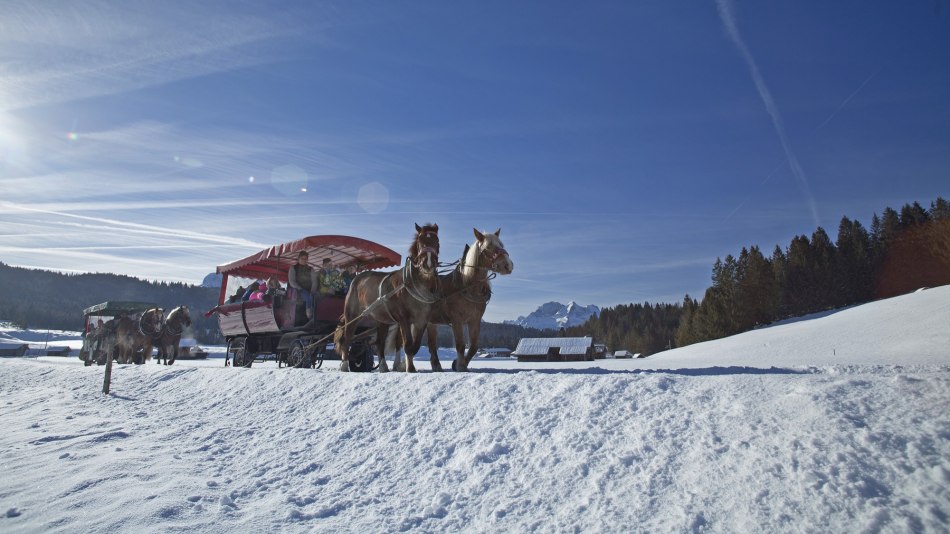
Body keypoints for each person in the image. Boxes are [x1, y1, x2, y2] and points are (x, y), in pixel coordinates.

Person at [288, 251, 318, 318]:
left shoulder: (311, 269)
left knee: (318, 297)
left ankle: (318, 316)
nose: (304, 260)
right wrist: (299, 288)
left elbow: (314, 281)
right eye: (302, 258)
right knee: (308, 297)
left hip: (310, 290)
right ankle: (309, 316)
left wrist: (312, 291)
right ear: (298, 259)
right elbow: (291, 281)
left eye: (305, 259)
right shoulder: (293, 268)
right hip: (297, 290)